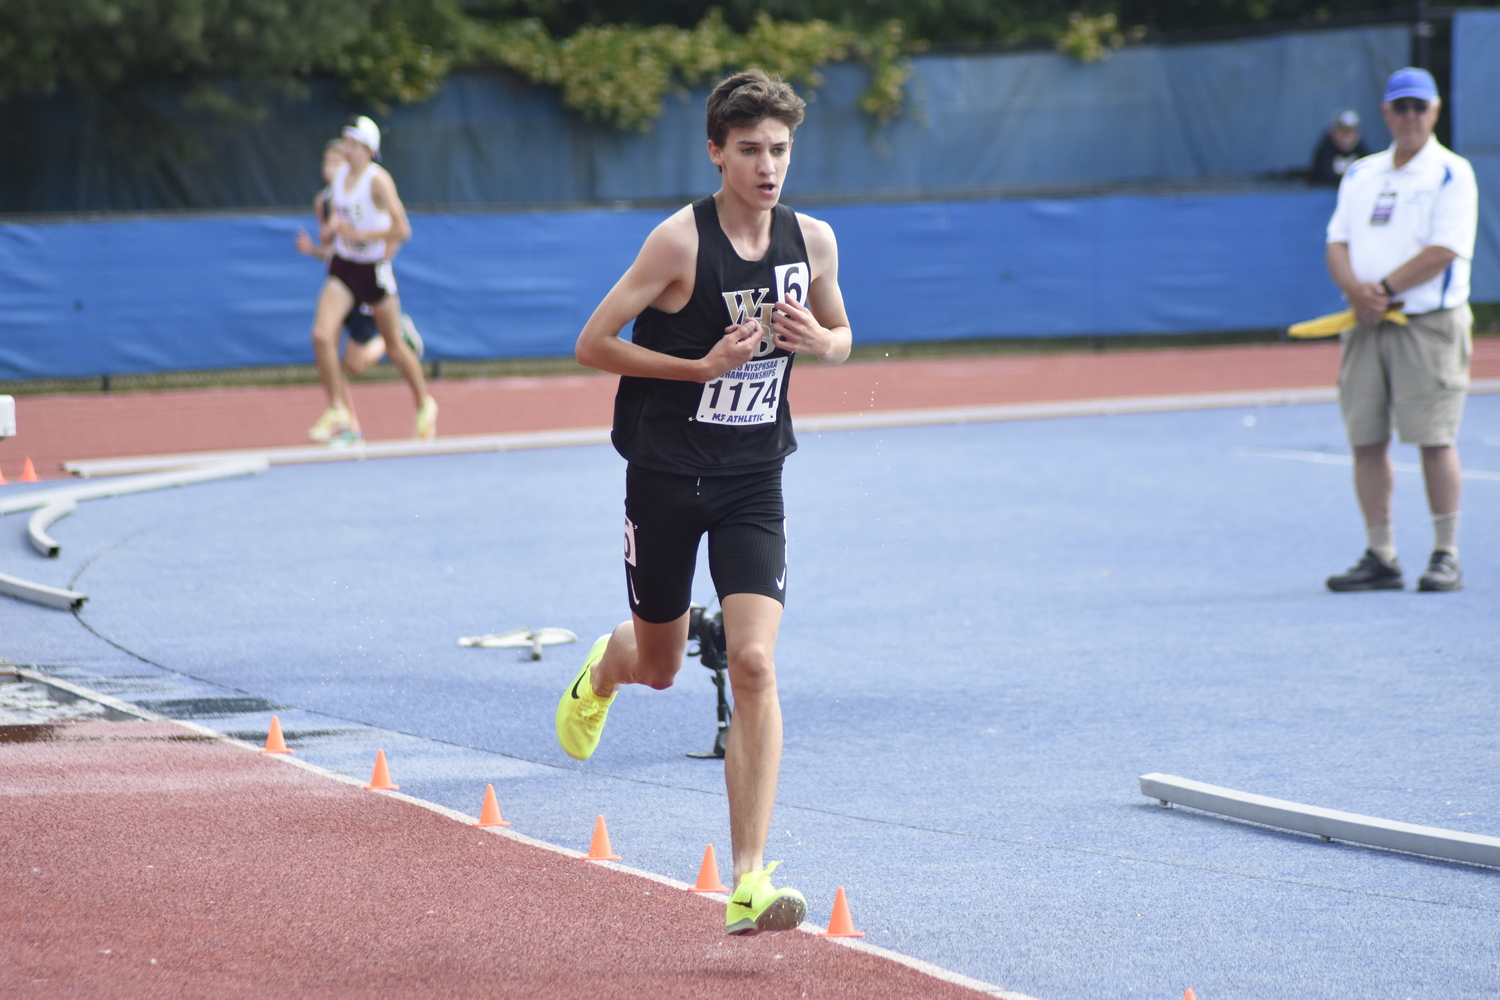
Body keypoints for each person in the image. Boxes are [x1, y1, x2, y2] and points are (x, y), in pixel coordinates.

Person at [557, 69, 852, 935]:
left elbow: (841, 336)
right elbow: (591, 343)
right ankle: (607, 667)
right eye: (752, 150)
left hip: (754, 477)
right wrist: (697, 369)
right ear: (717, 153)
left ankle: (750, 878)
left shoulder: (815, 242)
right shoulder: (678, 244)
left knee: (755, 662)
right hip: (663, 475)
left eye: (781, 150)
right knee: (660, 666)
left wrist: (819, 345)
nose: (769, 167)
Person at [1323, 67, 1478, 593]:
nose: (1410, 115)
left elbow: (1446, 248)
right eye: (1400, 106)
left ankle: (1445, 553)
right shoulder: (1362, 173)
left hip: (1426, 323)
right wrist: (1356, 292)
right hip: (1365, 322)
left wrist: (1382, 288)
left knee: (1434, 437)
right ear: (1387, 112)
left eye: (1419, 106)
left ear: (1435, 111)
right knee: (1365, 438)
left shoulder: (1452, 173)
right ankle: (1381, 554)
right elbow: (1336, 241)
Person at [304, 116, 437, 445]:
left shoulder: (378, 181)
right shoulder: (340, 179)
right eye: (344, 142)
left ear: (367, 148)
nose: (345, 149)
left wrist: (365, 236)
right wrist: (333, 228)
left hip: (372, 270)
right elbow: (341, 214)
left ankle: (424, 403)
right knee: (322, 335)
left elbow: (402, 230)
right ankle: (338, 410)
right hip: (344, 267)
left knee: (393, 347)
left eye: (351, 144)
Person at [297, 139, 426, 392]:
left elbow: (397, 232)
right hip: (341, 278)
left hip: (365, 278)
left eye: (337, 162)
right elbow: (330, 250)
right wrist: (314, 248)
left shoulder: (369, 188)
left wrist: (378, 261)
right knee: (325, 346)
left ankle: (399, 334)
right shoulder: (324, 202)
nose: (331, 168)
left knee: (357, 363)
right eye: (327, 162)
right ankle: (345, 420)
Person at [1310, 109, 1371, 187]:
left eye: (1351, 132)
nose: (1347, 137)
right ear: (1334, 132)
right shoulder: (1325, 150)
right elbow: (1323, 177)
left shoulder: (1361, 149)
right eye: (1343, 132)